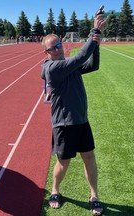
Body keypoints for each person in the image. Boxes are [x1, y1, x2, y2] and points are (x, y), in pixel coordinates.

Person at [41, 14, 106, 215]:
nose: (59, 48)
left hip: (81, 120)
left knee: (89, 157)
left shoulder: (69, 65)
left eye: (59, 44)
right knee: (64, 162)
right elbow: (80, 57)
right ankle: (55, 190)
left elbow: (91, 65)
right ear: (47, 52)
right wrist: (94, 33)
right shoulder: (53, 68)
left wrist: (96, 44)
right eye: (55, 46)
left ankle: (94, 195)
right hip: (63, 124)